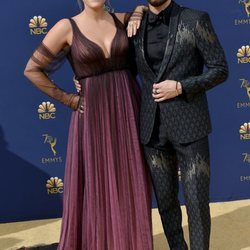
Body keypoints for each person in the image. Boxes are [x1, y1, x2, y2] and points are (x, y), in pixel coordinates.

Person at [76, 0, 228, 249]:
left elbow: (220, 69)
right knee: (166, 204)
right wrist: (82, 75)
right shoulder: (134, 25)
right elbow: (116, 64)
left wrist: (181, 86)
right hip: (151, 129)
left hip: (190, 127)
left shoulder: (195, 19)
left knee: (196, 203)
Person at [24, 1, 153, 249]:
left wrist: (138, 11)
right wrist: (69, 99)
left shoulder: (122, 20)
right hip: (93, 117)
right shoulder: (67, 27)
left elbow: (149, 9)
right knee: (97, 185)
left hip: (128, 112)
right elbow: (33, 69)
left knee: (131, 180)